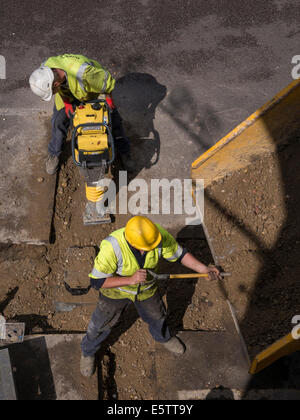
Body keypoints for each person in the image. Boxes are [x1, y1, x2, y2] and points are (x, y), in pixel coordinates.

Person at [80, 216, 221, 377]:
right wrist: (130, 280)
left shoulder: (156, 236)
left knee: (157, 316)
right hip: (115, 293)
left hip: (146, 290)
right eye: (145, 248)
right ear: (132, 242)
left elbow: (180, 254)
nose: (150, 249)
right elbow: (97, 281)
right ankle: (88, 351)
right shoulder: (112, 247)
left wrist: (203, 269)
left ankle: (164, 338)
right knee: (100, 323)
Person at [29, 53, 134, 175]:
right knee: (58, 121)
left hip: (92, 90)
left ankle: (124, 150)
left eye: (52, 92)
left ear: (56, 84)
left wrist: (109, 100)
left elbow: (108, 82)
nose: (52, 94)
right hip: (69, 94)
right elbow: (61, 88)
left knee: (112, 120)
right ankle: (54, 153)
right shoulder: (46, 69)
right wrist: (67, 102)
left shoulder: (85, 75)